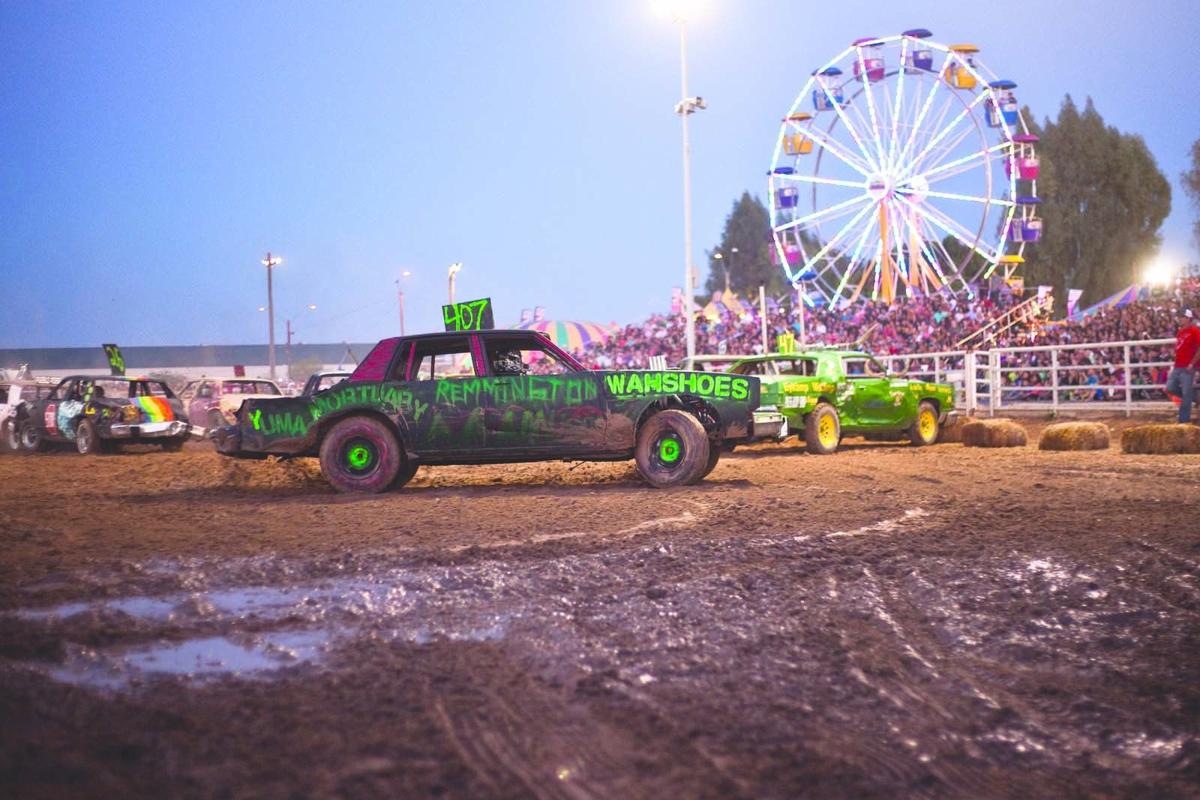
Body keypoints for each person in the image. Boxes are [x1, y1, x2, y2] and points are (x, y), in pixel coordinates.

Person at [1166, 309, 1200, 423]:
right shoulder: (1180, 331)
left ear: (1188, 318)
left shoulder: (1194, 330)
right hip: (1178, 365)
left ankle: (1183, 420)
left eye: (1183, 317)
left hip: (1187, 366)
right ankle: (1193, 398)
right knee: (1170, 387)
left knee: (1185, 392)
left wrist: (1192, 363)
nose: (1180, 319)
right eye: (1180, 317)